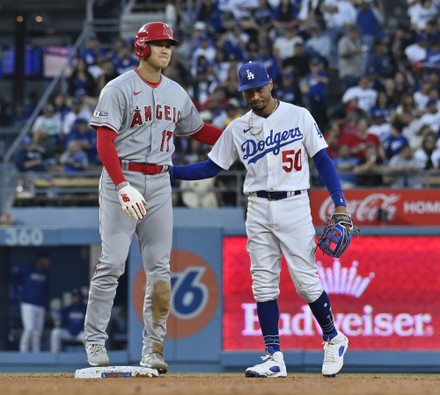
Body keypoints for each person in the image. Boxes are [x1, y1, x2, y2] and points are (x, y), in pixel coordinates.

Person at [170, 61, 352, 378]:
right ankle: (273, 356)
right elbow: (210, 167)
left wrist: (340, 203)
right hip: (256, 207)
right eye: (248, 91)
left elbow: (322, 159)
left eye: (258, 89)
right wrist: (170, 172)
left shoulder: (299, 115)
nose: (254, 96)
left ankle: (333, 338)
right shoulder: (238, 128)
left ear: (270, 84)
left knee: (306, 282)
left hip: (294, 204)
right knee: (263, 284)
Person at [84, 22, 223, 373]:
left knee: (161, 271)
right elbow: (104, 141)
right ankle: (95, 339)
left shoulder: (176, 93)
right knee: (113, 263)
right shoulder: (118, 88)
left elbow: (199, 130)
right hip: (124, 179)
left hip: (160, 182)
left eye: (169, 44)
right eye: (159, 43)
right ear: (142, 47)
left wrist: (235, 137)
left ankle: (153, 348)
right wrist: (120, 185)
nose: (166, 49)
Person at [10, 252, 51, 352]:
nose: (48, 262)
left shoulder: (45, 273)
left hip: (40, 305)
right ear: (41, 259)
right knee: (29, 328)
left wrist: (47, 308)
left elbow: (47, 292)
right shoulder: (28, 268)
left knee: (38, 332)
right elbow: (13, 278)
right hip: (28, 304)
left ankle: (35, 352)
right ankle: (23, 351)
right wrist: (17, 293)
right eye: (46, 260)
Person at [50, 288, 86, 353]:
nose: (76, 298)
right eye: (74, 296)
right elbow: (63, 322)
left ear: (81, 297)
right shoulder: (68, 309)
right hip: (69, 333)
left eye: (77, 296)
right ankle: (54, 355)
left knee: (88, 337)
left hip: (80, 334)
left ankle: (91, 358)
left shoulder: (85, 308)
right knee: (55, 332)